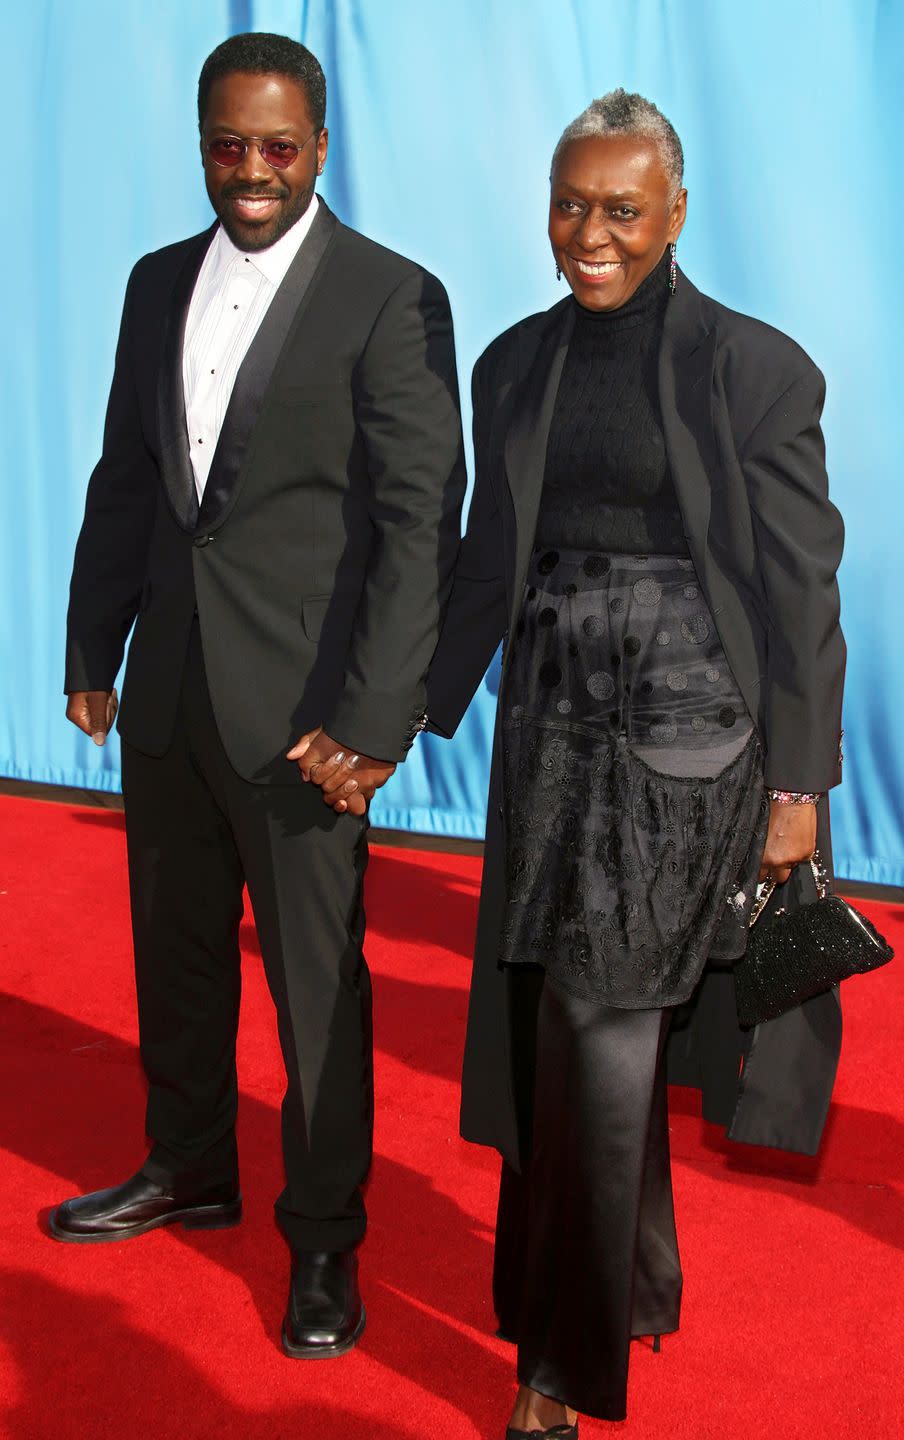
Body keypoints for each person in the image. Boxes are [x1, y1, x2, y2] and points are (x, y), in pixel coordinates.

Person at [422, 90, 845, 1434]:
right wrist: (394, 721)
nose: (588, 234)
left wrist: (797, 789)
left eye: (618, 209)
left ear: (673, 212)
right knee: (553, 1038)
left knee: (602, 1034)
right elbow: (489, 567)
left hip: (685, 751)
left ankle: (557, 1377)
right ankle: (630, 1281)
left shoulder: (757, 370)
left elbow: (799, 593)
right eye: (570, 205)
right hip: (544, 744)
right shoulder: (514, 365)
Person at [56, 31, 465, 1361]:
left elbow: (420, 526)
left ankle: (327, 1242)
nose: (252, 170)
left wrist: (374, 719)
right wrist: (90, 649)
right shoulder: (152, 281)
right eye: (229, 145)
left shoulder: (390, 296)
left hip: (306, 724)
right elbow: (128, 474)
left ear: (321, 149)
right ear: (201, 142)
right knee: (172, 960)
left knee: (314, 994)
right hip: (169, 692)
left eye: (278, 147)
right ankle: (189, 1165)